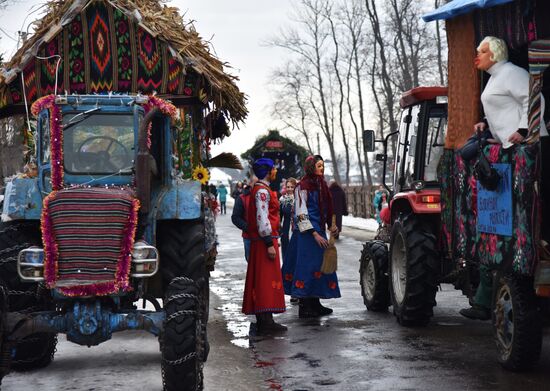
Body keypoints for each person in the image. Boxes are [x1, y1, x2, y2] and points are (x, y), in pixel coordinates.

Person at [460, 36, 549, 321]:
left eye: (482, 51)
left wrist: (525, 129)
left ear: (495, 54)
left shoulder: (512, 72)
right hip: (509, 152)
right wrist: (485, 124)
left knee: (531, 203)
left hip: (527, 149)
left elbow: (534, 100)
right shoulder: (494, 79)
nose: (477, 55)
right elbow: (503, 107)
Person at [282, 155, 340, 318]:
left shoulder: (322, 185)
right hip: (306, 235)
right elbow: (300, 213)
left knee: (318, 267)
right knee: (306, 269)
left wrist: (331, 226)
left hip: (319, 231)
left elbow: (327, 208)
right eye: (319, 166)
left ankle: (315, 303)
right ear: (311, 167)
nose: (322, 168)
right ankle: (305, 306)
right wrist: (314, 233)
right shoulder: (302, 186)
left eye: (323, 165)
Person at [242, 158, 287, 334]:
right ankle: (265, 321)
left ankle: (266, 319)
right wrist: (269, 242)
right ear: (268, 171)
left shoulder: (262, 189)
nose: (275, 171)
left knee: (264, 280)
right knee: (265, 281)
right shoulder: (262, 191)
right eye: (273, 169)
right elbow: (262, 218)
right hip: (264, 242)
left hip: (263, 241)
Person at [231, 180, 253, 262]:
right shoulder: (242, 198)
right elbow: (235, 217)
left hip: (265, 239)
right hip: (249, 236)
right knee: (250, 262)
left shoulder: (267, 195)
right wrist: (247, 227)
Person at [279, 177, 296, 258]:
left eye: (292, 187)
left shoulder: (299, 199)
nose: (289, 189)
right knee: (285, 251)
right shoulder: (282, 199)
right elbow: (279, 217)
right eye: (288, 187)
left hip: (296, 228)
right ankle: (285, 269)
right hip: (285, 229)